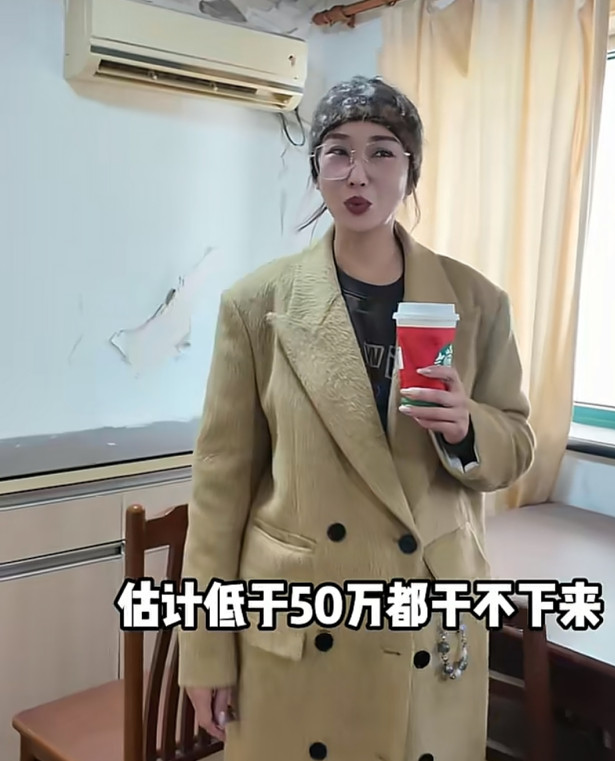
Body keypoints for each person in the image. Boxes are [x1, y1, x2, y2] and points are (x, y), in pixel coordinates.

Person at [178, 75, 535, 761]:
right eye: (337, 151)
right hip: (301, 619)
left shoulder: (476, 301)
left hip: (425, 611)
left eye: (381, 151)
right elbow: (219, 492)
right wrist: (205, 650)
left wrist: (467, 426)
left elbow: (517, 444)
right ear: (316, 168)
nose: (358, 173)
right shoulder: (256, 305)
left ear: (411, 169)